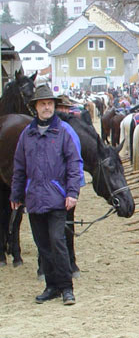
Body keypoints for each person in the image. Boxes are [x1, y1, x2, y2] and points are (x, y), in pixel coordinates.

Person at [10, 85, 84, 306]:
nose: (47, 107)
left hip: (57, 198)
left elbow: (74, 164)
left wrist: (72, 192)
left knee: (58, 242)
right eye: (42, 104)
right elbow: (19, 166)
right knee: (43, 245)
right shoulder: (27, 135)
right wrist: (16, 193)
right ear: (35, 108)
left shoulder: (63, 132)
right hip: (34, 198)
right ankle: (51, 286)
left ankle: (66, 288)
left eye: (50, 104)